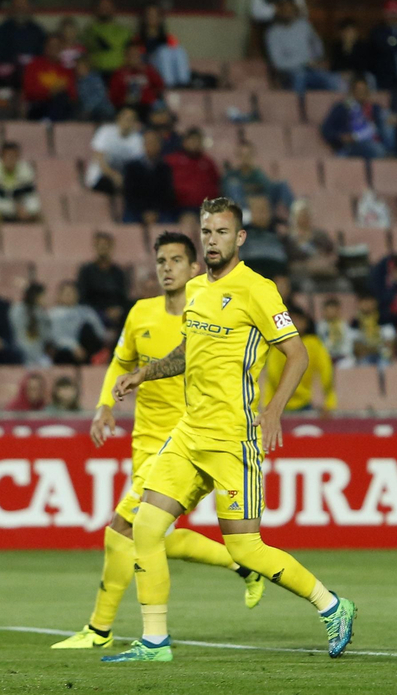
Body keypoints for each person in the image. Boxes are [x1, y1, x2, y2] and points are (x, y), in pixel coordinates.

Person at [103, 197, 357, 664]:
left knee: (246, 547)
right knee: (145, 526)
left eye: (221, 232)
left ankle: (333, 605)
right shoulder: (197, 288)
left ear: (239, 238)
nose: (212, 241)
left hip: (232, 438)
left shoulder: (257, 290)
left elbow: (297, 353)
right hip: (188, 434)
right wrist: (146, 372)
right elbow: (186, 352)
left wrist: (275, 408)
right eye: (206, 233)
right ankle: (155, 642)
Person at [57, 231, 268, 650]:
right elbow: (121, 360)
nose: (167, 268)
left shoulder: (207, 313)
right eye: (161, 261)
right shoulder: (140, 313)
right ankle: (241, 563)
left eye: (176, 260)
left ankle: (101, 630)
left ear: (195, 268)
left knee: (120, 531)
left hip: (182, 442)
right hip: (143, 442)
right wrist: (104, 407)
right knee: (149, 537)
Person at [264, 0, 340, 93]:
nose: (288, 13)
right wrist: (304, 61)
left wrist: (317, 58)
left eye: (291, 10)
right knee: (300, 76)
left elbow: (317, 44)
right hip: (288, 73)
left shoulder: (304, 26)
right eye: (285, 10)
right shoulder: (273, 32)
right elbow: (278, 63)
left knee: (333, 80)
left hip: (311, 69)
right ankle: (297, 106)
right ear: (279, 12)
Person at [320, 77, 391, 160]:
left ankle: (390, 153)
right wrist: (340, 137)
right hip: (352, 146)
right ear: (352, 91)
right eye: (358, 90)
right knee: (377, 150)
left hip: (372, 140)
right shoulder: (341, 107)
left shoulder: (374, 108)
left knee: (388, 122)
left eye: (364, 90)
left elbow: (381, 125)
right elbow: (326, 129)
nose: (361, 93)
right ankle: (387, 155)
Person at [76, 231, 132, 329]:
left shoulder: (119, 272)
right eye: (100, 245)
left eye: (106, 245)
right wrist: (104, 312)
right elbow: (82, 298)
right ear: (95, 247)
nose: (103, 248)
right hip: (94, 313)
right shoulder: (86, 271)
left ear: (111, 247)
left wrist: (118, 309)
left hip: (117, 314)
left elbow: (123, 296)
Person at [85, 107, 145, 196]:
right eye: (126, 119)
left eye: (132, 119)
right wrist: (114, 175)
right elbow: (99, 158)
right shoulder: (105, 131)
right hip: (101, 176)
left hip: (124, 178)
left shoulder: (137, 139)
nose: (128, 122)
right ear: (119, 119)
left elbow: (138, 163)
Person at [46, 280, 107, 365]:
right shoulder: (53, 314)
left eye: (73, 293)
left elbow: (99, 331)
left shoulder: (87, 311)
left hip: (87, 348)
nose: (70, 296)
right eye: (67, 293)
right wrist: (74, 347)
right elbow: (55, 337)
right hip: (65, 351)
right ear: (59, 296)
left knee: (87, 327)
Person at [166, 127, 223, 216]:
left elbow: (216, 183)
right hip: (180, 208)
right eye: (192, 140)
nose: (194, 144)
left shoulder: (208, 162)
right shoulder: (172, 161)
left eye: (197, 141)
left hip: (206, 208)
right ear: (185, 142)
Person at [0, 141, 40, 224]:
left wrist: (26, 209)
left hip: (20, 207)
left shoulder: (26, 170)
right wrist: (14, 207)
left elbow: (31, 196)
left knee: (37, 214)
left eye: (14, 156)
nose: (11, 159)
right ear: (1, 157)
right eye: (8, 156)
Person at [21, 33, 76, 122]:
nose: (54, 49)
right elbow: (29, 90)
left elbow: (73, 94)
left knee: (62, 99)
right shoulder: (34, 64)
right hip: (39, 106)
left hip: (60, 107)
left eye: (57, 46)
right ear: (45, 47)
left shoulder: (67, 69)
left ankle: (48, 123)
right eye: (51, 45)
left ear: (61, 48)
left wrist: (57, 92)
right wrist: (50, 92)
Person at [134, 4, 191, 88]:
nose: (152, 17)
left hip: (169, 68)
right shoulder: (138, 38)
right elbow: (137, 58)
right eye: (149, 15)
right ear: (144, 18)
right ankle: (169, 84)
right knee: (163, 52)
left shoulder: (168, 37)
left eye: (155, 15)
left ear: (160, 18)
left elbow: (175, 55)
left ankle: (184, 82)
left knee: (179, 50)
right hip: (149, 66)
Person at [107, 43, 165, 120]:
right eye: (131, 55)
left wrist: (145, 71)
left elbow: (160, 86)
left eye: (136, 55)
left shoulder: (148, 70)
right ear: (126, 57)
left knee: (160, 107)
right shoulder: (119, 73)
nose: (134, 58)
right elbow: (113, 96)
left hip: (147, 105)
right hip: (127, 106)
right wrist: (124, 98)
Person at [83, 0, 132, 77]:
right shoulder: (90, 31)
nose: (105, 9)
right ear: (96, 9)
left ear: (113, 9)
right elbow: (101, 45)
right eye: (102, 6)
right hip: (96, 72)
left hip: (119, 73)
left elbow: (129, 50)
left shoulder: (123, 31)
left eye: (108, 6)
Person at [10, 282, 54, 367]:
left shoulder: (42, 314)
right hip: (20, 353)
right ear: (36, 297)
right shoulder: (17, 310)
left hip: (38, 355)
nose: (46, 299)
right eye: (43, 296)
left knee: (47, 364)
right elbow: (17, 334)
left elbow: (47, 337)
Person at [327, 18, 376, 87]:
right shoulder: (336, 47)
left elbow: (365, 64)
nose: (350, 35)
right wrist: (346, 49)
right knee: (335, 79)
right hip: (342, 76)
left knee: (370, 78)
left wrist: (354, 73)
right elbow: (334, 66)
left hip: (359, 74)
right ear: (341, 33)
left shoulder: (362, 46)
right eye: (347, 32)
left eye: (352, 32)